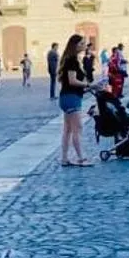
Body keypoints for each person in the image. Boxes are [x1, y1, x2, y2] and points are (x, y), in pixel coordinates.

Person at [57, 34, 88, 167]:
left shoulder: (70, 60)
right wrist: (88, 85)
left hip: (66, 97)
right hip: (71, 98)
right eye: (81, 43)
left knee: (68, 130)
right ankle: (81, 158)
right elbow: (72, 80)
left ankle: (64, 158)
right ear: (74, 45)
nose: (84, 46)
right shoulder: (72, 61)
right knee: (77, 129)